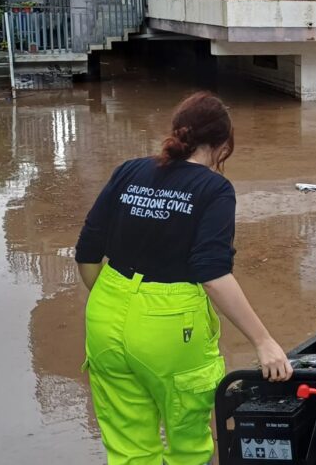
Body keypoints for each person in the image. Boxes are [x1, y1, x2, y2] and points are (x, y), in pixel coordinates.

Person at [75, 91, 293, 465]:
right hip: (169, 326)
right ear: (223, 146)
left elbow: (87, 250)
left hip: (105, 313)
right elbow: (212, 274)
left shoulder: (130, 170)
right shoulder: (214, 189)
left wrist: (114, 299)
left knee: (129, 449)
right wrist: (264, 341)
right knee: (188, 446)